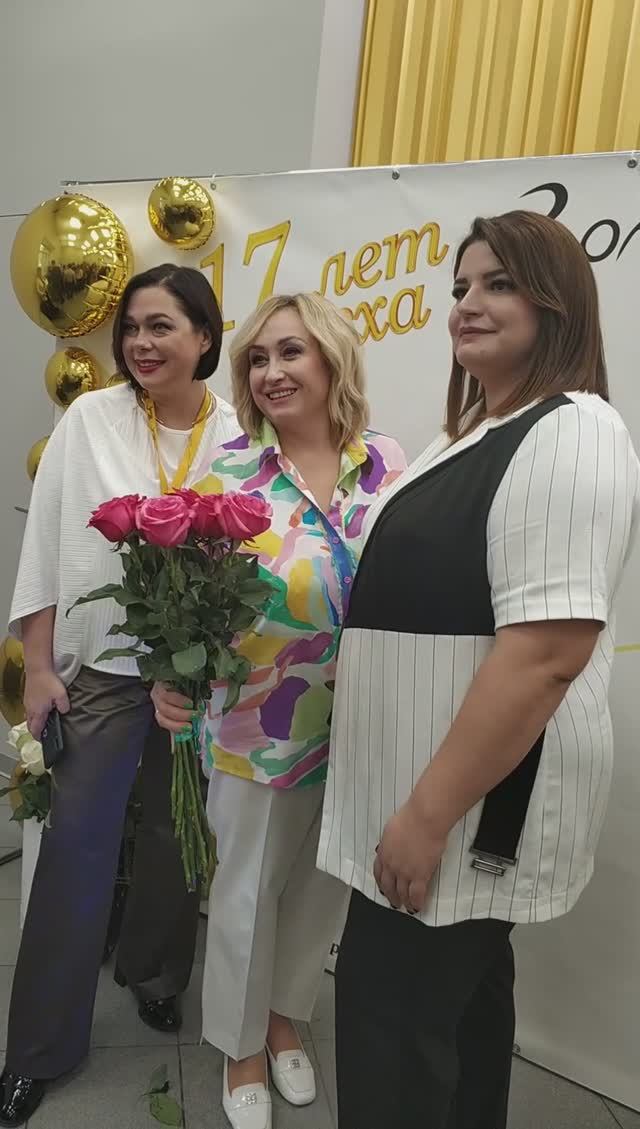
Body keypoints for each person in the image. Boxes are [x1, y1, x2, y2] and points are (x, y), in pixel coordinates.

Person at [316, 211, 640, 1129]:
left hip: (461, 812)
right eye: (460, 285)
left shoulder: (572, 430)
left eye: (499, 283)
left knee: (393, 1035)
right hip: (431, 800)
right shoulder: (472, 436)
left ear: (558, 302)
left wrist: (425, 817)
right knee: (456, 1019)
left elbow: (544, 656)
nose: (467, 302)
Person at [151, 292, 406, 1129]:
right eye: (257, 359)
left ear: (332, 357)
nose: (270, 372)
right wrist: (168, 679)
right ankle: (239, 1043)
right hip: (257, 725)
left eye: (290, 352)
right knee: (247, 892)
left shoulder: (388, 464)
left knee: (324, 887)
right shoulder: (225, 476)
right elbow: (180, 608)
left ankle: (285, 1012)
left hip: (363, 726)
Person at [0, 264, 240, 1128]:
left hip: (193, 680)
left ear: (204, 336)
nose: (141, 342)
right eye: (132, 327)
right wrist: (38, 664)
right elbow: (47, 542)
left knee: (179, 838)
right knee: (74, 850)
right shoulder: (89, 419)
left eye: (161, 325)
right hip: (99, 672)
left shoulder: (239, 431)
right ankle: (38, 1049)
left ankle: (154, 973)